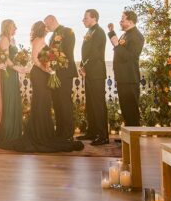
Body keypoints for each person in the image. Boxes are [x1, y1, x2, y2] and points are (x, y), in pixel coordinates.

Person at [7, 21, 83, 153]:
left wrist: (50, 67)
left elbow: (45, 57)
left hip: (44, 74)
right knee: (41, 102)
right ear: (42, 29)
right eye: (46, 27)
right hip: (39, 75)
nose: (48, 29)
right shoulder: (38, 40)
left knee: (44, 103)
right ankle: (40, 134)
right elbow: (35, 60)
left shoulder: (42, 39)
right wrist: (48, 70)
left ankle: (44, 132)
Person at [108, 11, 144, 128]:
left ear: (130, 21)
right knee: (125, 108)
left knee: (131, 109)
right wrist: (112, 32)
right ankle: (128, 135)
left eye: (123, 19)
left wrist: (116, 45)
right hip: (123, 77)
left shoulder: (137, 36)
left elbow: (130, 56)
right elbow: (120, 49)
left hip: (130, 78)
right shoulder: (126, 34)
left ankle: (134, 138)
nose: (120, 21)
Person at [78, 9, 109, 145]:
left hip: (96, 73)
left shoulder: (99, 32)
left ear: (94, 18)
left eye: (85, 18)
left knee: (98, 105)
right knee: (90, 104)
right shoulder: (89, 32)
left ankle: (103, 136)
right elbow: (86, 52)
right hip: (89, 73)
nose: (83, 20)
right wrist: (82, 65)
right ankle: (91, 132)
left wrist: (85, 67)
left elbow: (95, 54)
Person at [44, 15, 77, 141]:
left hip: (65, 72)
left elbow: (68, 52)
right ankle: (60, 132)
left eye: (47, 24)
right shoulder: (52, 36)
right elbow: (50, 52)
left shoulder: (68, 31)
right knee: (57, 103)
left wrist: (51, 56)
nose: (46, 27)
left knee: (64, 102)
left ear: (52, 20)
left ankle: (68, 133)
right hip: (54, 73)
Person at [0, 20, 24, 146]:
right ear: (7, 27)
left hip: (13, 73)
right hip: (7, 74)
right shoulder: (4, 39)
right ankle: (7, 134)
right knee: (9, 101)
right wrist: (17, 68)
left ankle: (15, 133)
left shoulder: (13, 40)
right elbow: (5, 59)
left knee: (14, 100)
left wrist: (19, 68)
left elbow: (14, 58)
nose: (16, 28)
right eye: (13, 26)